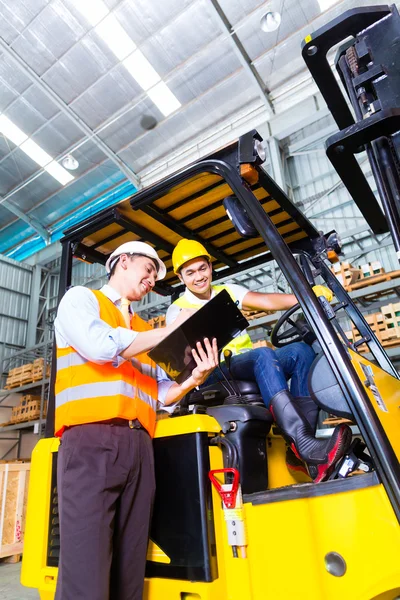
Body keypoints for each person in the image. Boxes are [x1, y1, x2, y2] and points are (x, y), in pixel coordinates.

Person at [54, 241, 218, 600]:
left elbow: (160, 392)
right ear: (123, 262)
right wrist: (175, 331)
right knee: (87, 574)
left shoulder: (144, 327)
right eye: (149, 270)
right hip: (91, 443)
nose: (152, 280)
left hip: (139, 447)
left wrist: (194, 378)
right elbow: (99, 345)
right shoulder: (82, 300)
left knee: (130, 572)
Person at [166, 239, 352, 483]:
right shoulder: (178, 308)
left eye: (202, 268)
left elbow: (266, 301)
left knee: (300, 351)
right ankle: (302, 442)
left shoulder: (228, 292)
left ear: (210, 268)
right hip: (212, 371)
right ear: (181, 278)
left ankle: (299, 449)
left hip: (242, 364)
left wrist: (306, 297)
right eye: (190, 273)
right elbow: (179, 353)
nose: (199, 276)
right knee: (263, 354)